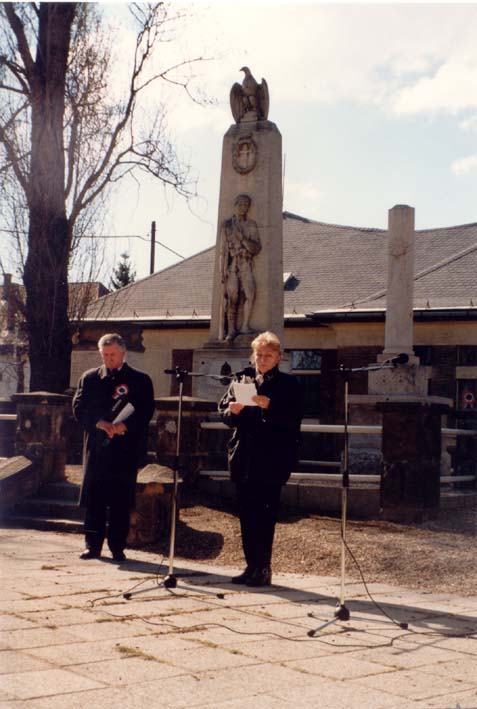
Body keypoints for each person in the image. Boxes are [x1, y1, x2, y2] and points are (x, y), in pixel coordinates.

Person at [219, 331, 303, 586]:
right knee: (246, 514)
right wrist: (232, 411)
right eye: (259, 355)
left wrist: (270, 406)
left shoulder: (289, 384)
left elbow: (294, 419)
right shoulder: (241, 379)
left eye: (268, 355)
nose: (263, 360)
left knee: (265, 515)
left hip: (271, 459)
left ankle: (263, 568)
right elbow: (223, 410)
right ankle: (251, 566)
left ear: (278, 357)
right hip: (244, 456)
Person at [73, 333, 154, 561]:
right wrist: (98, 423)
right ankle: (92, 546)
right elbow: (78, 408)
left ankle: (118, 547)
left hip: (124, 449)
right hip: (97, 448)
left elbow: (146, 410)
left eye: (113, 355)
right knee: (95, 500)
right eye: (105, 355)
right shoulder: (89, 378)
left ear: (123, 353)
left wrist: (124, 426)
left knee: (120, 500)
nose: (109, 359)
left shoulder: (140, 379)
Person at [220, 194, 261, 341]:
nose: (243, 208)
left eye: (246, 205)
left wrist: (242, 238)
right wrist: (222, 269)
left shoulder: (251, 225)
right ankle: (231, 330)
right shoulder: (227, 225)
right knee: (233, 297)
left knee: (250, 293)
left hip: (246, 263)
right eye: (241, 205)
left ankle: (245, 326)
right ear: (235, 205)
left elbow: (256, 248)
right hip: (232, 265)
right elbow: (223, 250)